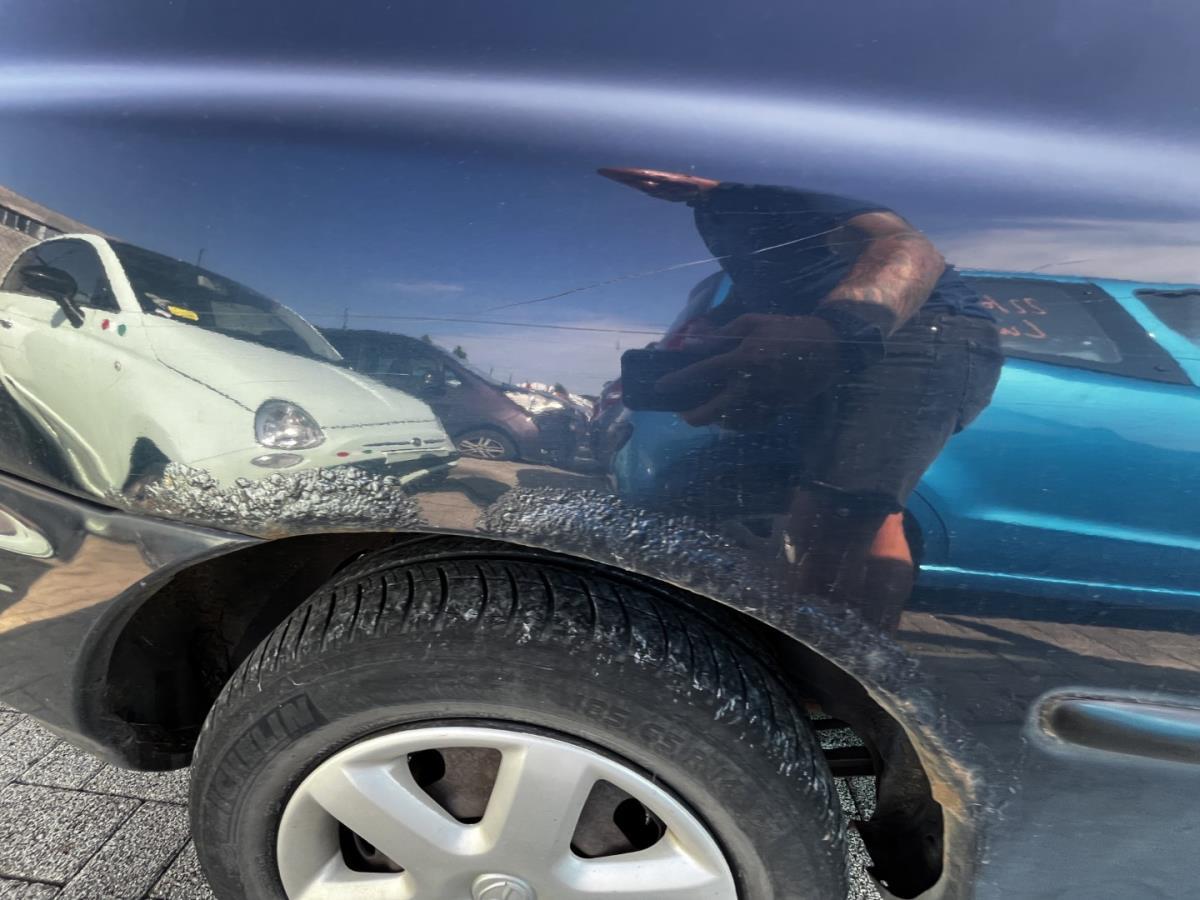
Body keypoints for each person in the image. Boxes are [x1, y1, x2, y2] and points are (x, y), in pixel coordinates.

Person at [601, 167, 1002, 627]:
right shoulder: (722, 216)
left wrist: (836, 329)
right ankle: (863, 652)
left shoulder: (759, 187)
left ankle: (815, 657)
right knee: (867, 510)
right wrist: (717, 326)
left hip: (910, 331)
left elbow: (909, 247)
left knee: (833, 513)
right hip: (856, 339)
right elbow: (780, 282)